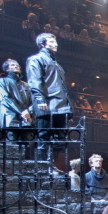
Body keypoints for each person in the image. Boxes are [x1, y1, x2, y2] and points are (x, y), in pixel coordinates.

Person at [26, 33, 73, 166]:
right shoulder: (36, 59)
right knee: (43, 137)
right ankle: (41, 166)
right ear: (42, 44)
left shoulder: (55, 63)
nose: (56, 44)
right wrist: (40, 100)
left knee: (60, 138)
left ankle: (49, 164)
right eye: (52, 42)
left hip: (60, 105)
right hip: (48, 105)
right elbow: (35, 81)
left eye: (55, 41)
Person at [0, 59, 33, 128]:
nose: (16, 66)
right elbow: (5, 99)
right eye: (12, 65)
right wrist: (21, 112)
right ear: (6, 69)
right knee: (12, 137)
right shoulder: (1, 82)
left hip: (26, 120)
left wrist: (28, 111)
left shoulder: (26, 85)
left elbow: (32, 101)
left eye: (17, 65)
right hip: (11, 118)